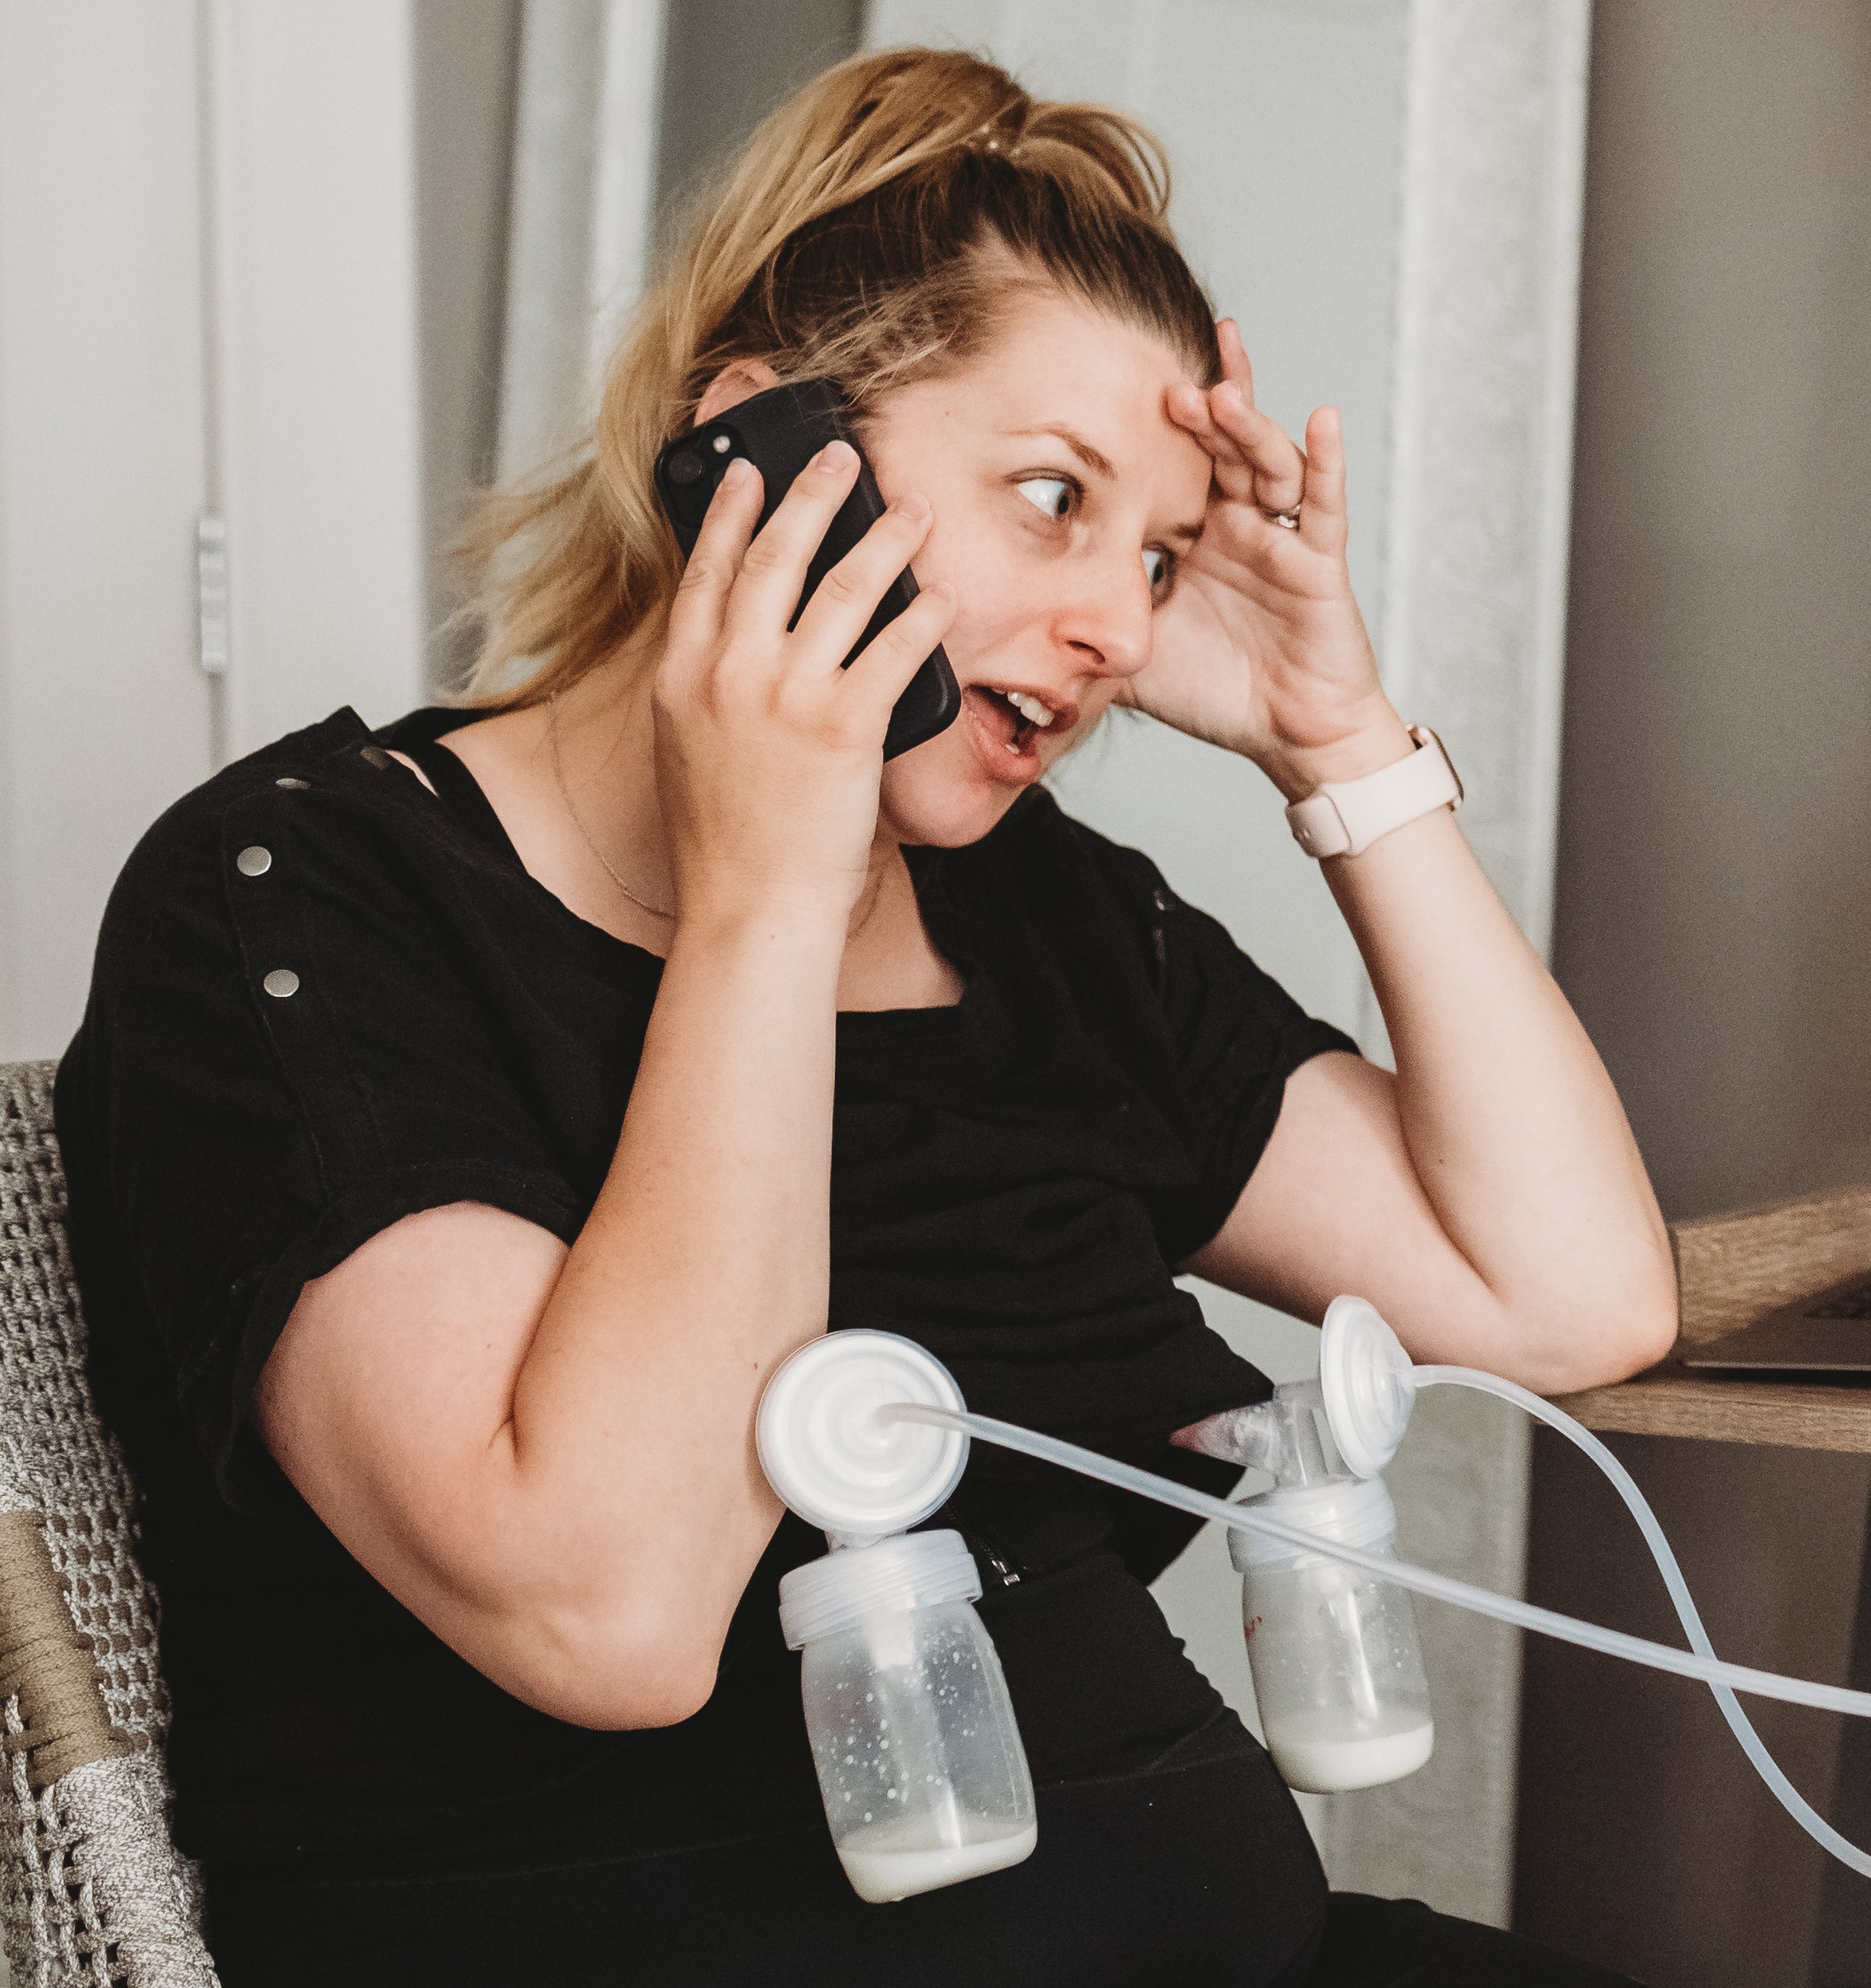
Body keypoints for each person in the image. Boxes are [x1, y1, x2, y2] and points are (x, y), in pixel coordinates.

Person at [55, 47, 1673, 1986]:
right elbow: (617, 1614)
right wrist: (765, 893)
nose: (1114, 627)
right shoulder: (302, 895)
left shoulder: (1041, 918)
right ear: (761, 450)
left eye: (1154, 557)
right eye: (1052, 501)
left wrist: (1338, 739)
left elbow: (1570, 1295)